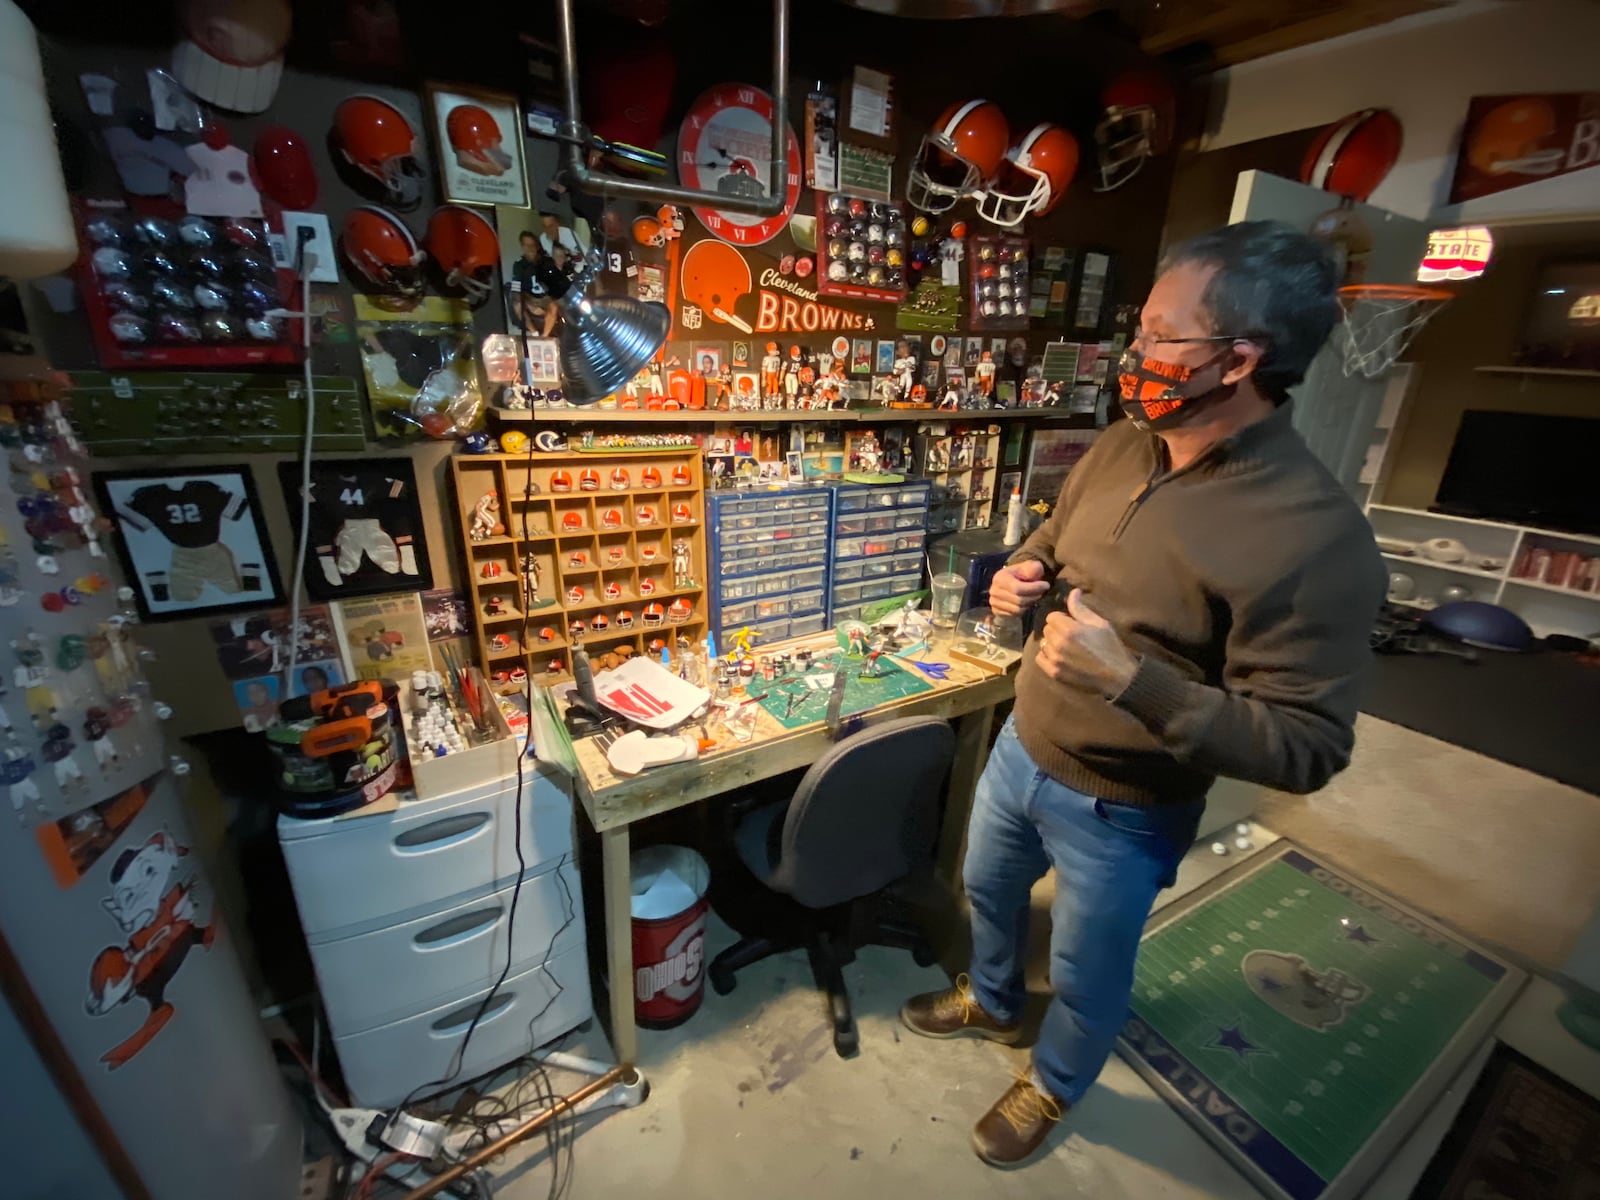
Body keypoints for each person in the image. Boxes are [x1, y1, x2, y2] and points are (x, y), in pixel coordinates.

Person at [900, 221, 1387, 1168]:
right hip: (1021, 746)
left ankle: (1055, 1081)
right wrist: (1019, 576)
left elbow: (1307, 747)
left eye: (1161, 336)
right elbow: (1054, 535)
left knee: (1086, 969)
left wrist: (1136, 683)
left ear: (1238, 360)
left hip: (1125, 808)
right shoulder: (1126, 443)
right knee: (985, 892)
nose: (1135, 357)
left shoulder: (1315, 535)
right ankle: (993, 998)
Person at [510, 231, 556, 336]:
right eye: (526, 245)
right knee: (517, 304)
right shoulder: (519, 265)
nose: (530, 248)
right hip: (529, 298)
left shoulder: (546, 261)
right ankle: (534, 333)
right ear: (522, 247)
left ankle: (544, 337)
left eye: (532, 245)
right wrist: (522, 301)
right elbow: (516, 290)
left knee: (554, 305)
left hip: (546, 297)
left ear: (536, 246)